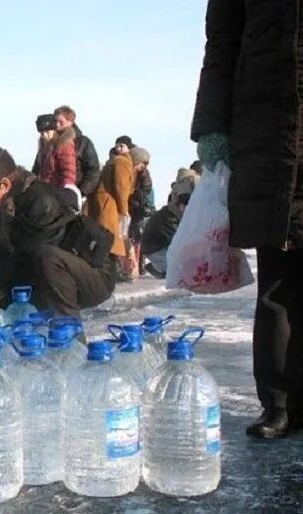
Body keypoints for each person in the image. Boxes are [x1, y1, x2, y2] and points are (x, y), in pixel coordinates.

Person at [192, 0, 303, 438]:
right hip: (266, 131)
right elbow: (220, 46)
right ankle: (279, 402)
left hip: (268, 129)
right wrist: (212, 127)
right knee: (277, 279)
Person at [0, 146, 116, 317]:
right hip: (54, 274)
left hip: (92, 276)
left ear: (4, 185)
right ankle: (28, 333)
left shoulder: (41, 202)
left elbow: (29, 258)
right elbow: (6, 251)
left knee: (45, 260)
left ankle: (68, 335)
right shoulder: (4, 207)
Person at [84, 146, 149, 281]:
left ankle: (111, 270)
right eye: (142, 163)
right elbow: (121, 188)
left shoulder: (123, 162)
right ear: (137, 158)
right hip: (108, 203)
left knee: (110, 239)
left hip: (108, 203)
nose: (142, 168)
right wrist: (125, 211)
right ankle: (109, 272)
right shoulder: (123, 163)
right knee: (110, 239)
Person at [55, 105, 101, 197]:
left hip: (73, 192)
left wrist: (81, 192)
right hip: (52, 192)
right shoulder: (50, 142)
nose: (57, 125)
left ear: (70, 122)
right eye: (55, 121)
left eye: (61, 122)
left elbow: (93, 169)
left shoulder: (83, 142)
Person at [141, 193, 190, 279]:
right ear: (182, 206)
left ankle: (159, 266)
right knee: (176, 271)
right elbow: (177, 239)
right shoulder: (170, 217)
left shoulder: (171, 212)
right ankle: (157, 268)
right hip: (154, 248)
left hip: (158, 245)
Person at [32, 114, 77, 194]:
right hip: (44, 191)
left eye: (47, 132)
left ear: (54, 130)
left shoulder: (64, 145)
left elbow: (68, 172)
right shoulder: (42, 148)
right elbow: (37, 171)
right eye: (42, 133)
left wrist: (63, 192)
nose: (45, 136)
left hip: (58, 192)